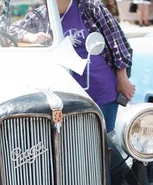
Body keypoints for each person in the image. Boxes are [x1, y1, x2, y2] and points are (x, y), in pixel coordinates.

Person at [8, 0, 136, 132]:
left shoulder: (90, 6)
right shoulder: (43, 14)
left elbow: (117, 40)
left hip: (100, 88)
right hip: (63, 95)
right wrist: (30, 37)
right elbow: (10, 30)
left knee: (105, 140)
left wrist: (123, 78)